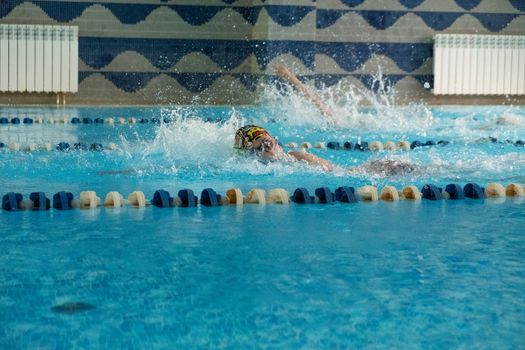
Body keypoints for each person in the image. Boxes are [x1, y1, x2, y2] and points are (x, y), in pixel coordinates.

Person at [234, 125, 415, 175]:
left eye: (269, 142)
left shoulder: (295, 157)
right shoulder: (277, 164)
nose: (268, 147)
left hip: (375, 169)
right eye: (263, 146)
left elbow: (338, 173)